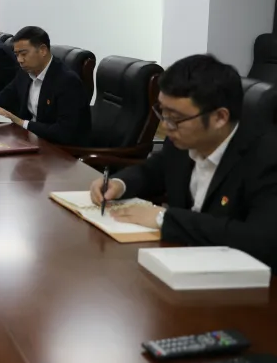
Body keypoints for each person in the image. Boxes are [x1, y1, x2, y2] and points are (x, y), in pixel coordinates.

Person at [89, 54, 277, 269]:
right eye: (163, 112)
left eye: (175, 117)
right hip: (180, 263)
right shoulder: (182, 138)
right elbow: (155, 170)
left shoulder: (266, 158)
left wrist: (164, 218)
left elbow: (261, 240)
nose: (166, 126)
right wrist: (119, 183)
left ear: (219, 117)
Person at [0, 26, 90, 146]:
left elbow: (65, 132)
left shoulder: (67, 81)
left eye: (23, 54)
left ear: (42, 50)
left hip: (59, 151)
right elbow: (3, 98)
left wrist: (21, 122)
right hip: (29, 140)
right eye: (16, 55)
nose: (19, 60)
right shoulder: (25, 73)